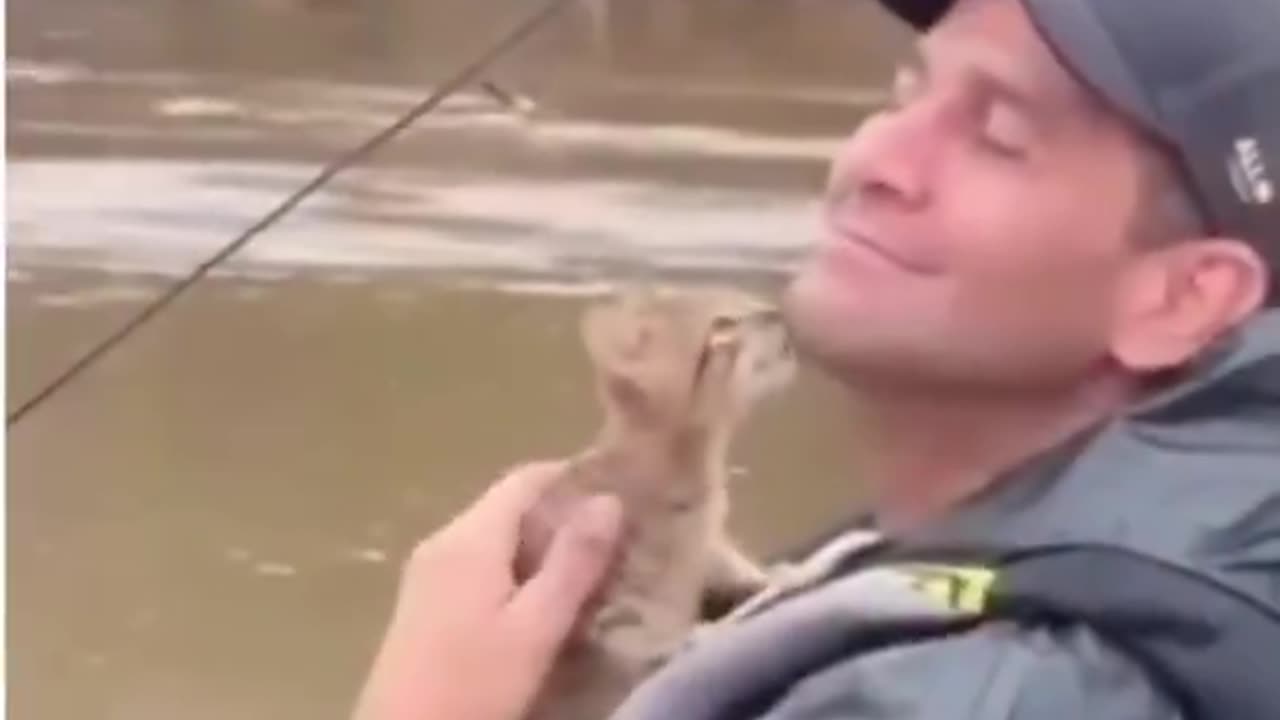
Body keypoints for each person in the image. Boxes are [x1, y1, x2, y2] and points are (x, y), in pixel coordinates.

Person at [353, 0, 1280, 718]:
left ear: (1183, 299)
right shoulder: (1184, 545)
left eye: (998, 137)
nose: (879, 155)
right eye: (909, 91)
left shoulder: (988, 691)